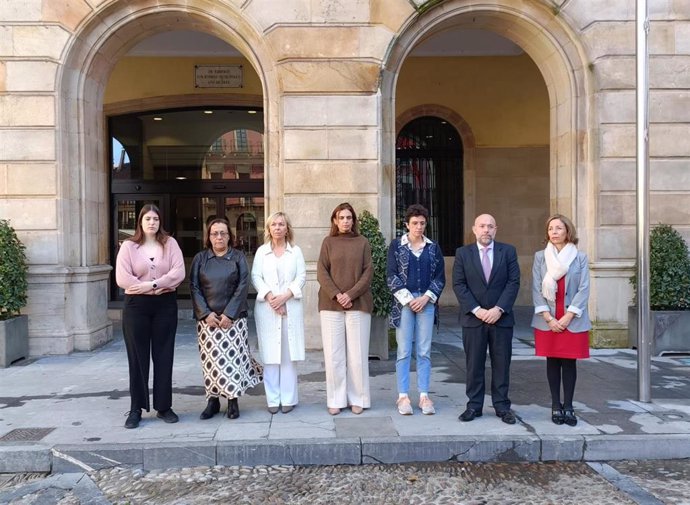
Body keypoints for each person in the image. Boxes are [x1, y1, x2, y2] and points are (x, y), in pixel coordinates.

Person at [115, 204, 185, 429]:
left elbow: (179, 272)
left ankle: (164, 407)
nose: (152, 222)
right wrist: (151, 288)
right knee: (137, 357)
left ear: (160, 221)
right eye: (148, 219)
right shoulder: (129, 246)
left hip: (165, 305)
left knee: (164, 355)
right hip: (137, 307)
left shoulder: (170, 243)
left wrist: (153, 284)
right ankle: (136, 408)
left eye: (155, 218)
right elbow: (122, 278)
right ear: (140, 222)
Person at [190, 218, 263, 420]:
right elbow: (194, 287)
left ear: (230, 236)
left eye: (223, 233)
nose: (219, 237)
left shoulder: (238, 257)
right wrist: (206, 314)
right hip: (208, 322)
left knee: (232, 361)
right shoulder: (200, 259)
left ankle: (233, 401)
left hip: (234, 320)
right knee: (211, 362)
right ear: (209, 237)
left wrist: (229, 314)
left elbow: (243, 286)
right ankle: (212, 401)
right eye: (215, 233)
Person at [452, 213, 520, 425]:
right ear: (474, 229)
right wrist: (477, 309)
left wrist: (498, 309)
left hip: (501, 319)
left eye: (490, 226)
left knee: (502, 364)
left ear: (496, 229)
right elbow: (459, 285)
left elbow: (513, 282)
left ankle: (502, 406)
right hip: (474, 319)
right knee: (474, 365)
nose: (486, 230)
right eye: (482, 226)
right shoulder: (463, 253)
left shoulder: (508, 251)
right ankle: (474, 405)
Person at [531, 214, 591, 427]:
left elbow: (584, 289)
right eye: (550, 229)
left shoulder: (580, 257)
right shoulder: (540, 257)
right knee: (552, 361)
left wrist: (567, 317)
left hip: (572, 320)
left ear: (568, 231)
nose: (554, 232)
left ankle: (569, 406)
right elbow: (536, 288)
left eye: (558, 228)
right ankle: (556, 405)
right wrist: (548, 318)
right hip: (548, 319)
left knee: (569, 362)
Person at [387, 204, 445, 416]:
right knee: (403, 351)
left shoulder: (433, 248)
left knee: (424, 351)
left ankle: (423, 395)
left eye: (422, 223)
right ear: (407, 225)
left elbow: (440, 277)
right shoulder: (397, 246)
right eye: (414, 223)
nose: (418, 227)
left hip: (426, 303)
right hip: (404, 304)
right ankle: (403, 395)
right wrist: (410, 299)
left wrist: (426, 298)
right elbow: (391, 276)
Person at [317, 202, 373, 415]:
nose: (345, 221)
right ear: (335, 220)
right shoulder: (328, 242)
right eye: (341, 218)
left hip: (358, 304)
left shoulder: (363, 242)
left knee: (357, 355)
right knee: (334, 355)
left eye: (349, 218)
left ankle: (358, 398)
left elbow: (368, 272)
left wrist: (350, 295)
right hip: (331, 305)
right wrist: (337, 295)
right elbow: (322, 271)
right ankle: (336, 399)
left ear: (353, 220)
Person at [251, 211, 307, 414]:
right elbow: (256, 277)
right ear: (268, 228)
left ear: (287, 228)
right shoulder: (261, 252)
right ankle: (273, 399)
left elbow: (301, 277)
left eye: (281, 224)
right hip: (267, 309)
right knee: (271, 355)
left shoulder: (296, 251)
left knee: (288, 355)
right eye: (273, 224)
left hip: (290, 307)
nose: (277, 227)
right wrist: (271, 299)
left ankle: (289, 398)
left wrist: (285, 297)